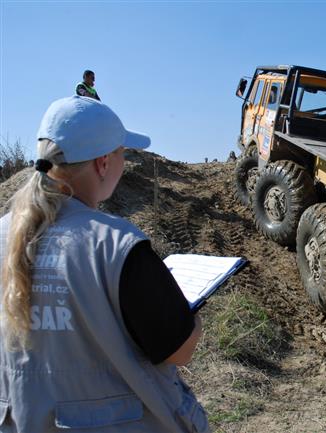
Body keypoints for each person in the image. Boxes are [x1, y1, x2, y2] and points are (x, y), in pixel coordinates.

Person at [0, 96, 208, 432]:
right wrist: (190, 315)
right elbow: (179, 351)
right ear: (102, 164)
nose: (123, 164)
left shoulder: (5, 233)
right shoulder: (116, 244)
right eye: (122, 154)